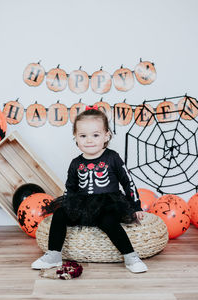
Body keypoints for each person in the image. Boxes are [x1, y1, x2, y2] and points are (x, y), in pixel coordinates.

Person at [31, 106, 148, 273]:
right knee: (59, 214)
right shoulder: (75, 163)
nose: (89, 140)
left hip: (110, 203)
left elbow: (127, 181)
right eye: (83, 136)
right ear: (76, 138)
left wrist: (135, 206)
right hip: (84, 203)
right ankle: (53, 255)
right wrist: (69, 208)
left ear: (106, 135)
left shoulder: (112, 157)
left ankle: (130, 256)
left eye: (95, 135)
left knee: (108, 221)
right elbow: (70, 188)